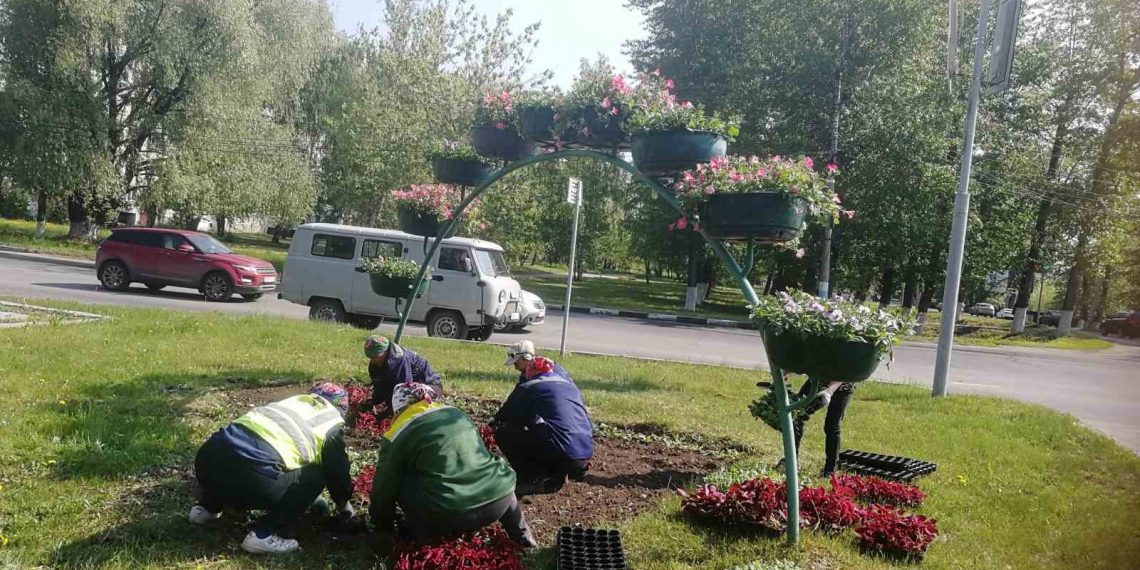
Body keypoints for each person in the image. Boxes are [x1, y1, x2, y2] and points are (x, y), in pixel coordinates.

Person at [189, 382, 355, 554]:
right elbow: (336, 472)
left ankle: (205, 509)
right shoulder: (329, 423)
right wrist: (344, 506)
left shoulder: (290, 404)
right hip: (250, 479)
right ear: (341, 408)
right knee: (318, 474)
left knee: (235, 452)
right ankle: (264, 534)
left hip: (206, 462)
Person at [368, 382, 536, 548]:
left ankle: (423, 537)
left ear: (399, 408)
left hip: (450, 515)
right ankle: (522, 534)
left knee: (400, 480)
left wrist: (381, 525)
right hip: (500, 501)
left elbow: (383, 487)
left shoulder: (399, 431)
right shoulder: (455, 413)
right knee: (492, 470)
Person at [493, 351, 594, 495]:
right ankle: (558, 475)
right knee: (553, 430)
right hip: (584, 452)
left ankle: (530, 479)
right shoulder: (569, 386)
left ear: (530, 372)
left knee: (504, 432)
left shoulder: (530, 386)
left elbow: (508, 416)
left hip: (564, 451)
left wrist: (492, 425)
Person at [786, 377, 855, 477]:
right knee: (796, 416)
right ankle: (791, 462)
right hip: (817, 380)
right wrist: (783, 374)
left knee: (832, 426)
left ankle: (830, 470)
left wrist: (829, 391)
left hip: (843, 386)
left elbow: (846, 371)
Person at [364, 335, 442, 417]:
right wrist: (373, 402)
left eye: (376, 357)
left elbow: (405, 393)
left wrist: (387, 413)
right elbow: (380, 387)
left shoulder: (400, 360)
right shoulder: (375, 365)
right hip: (408, 388)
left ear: (385, 351)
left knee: (411, 411)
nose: (373, 361)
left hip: (431, 386)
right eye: (370, 357)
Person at [503, 340, 573, 384]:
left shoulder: (551, 371)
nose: (516, 368)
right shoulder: (527, 373)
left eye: (516, 363)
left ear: (526, 357)